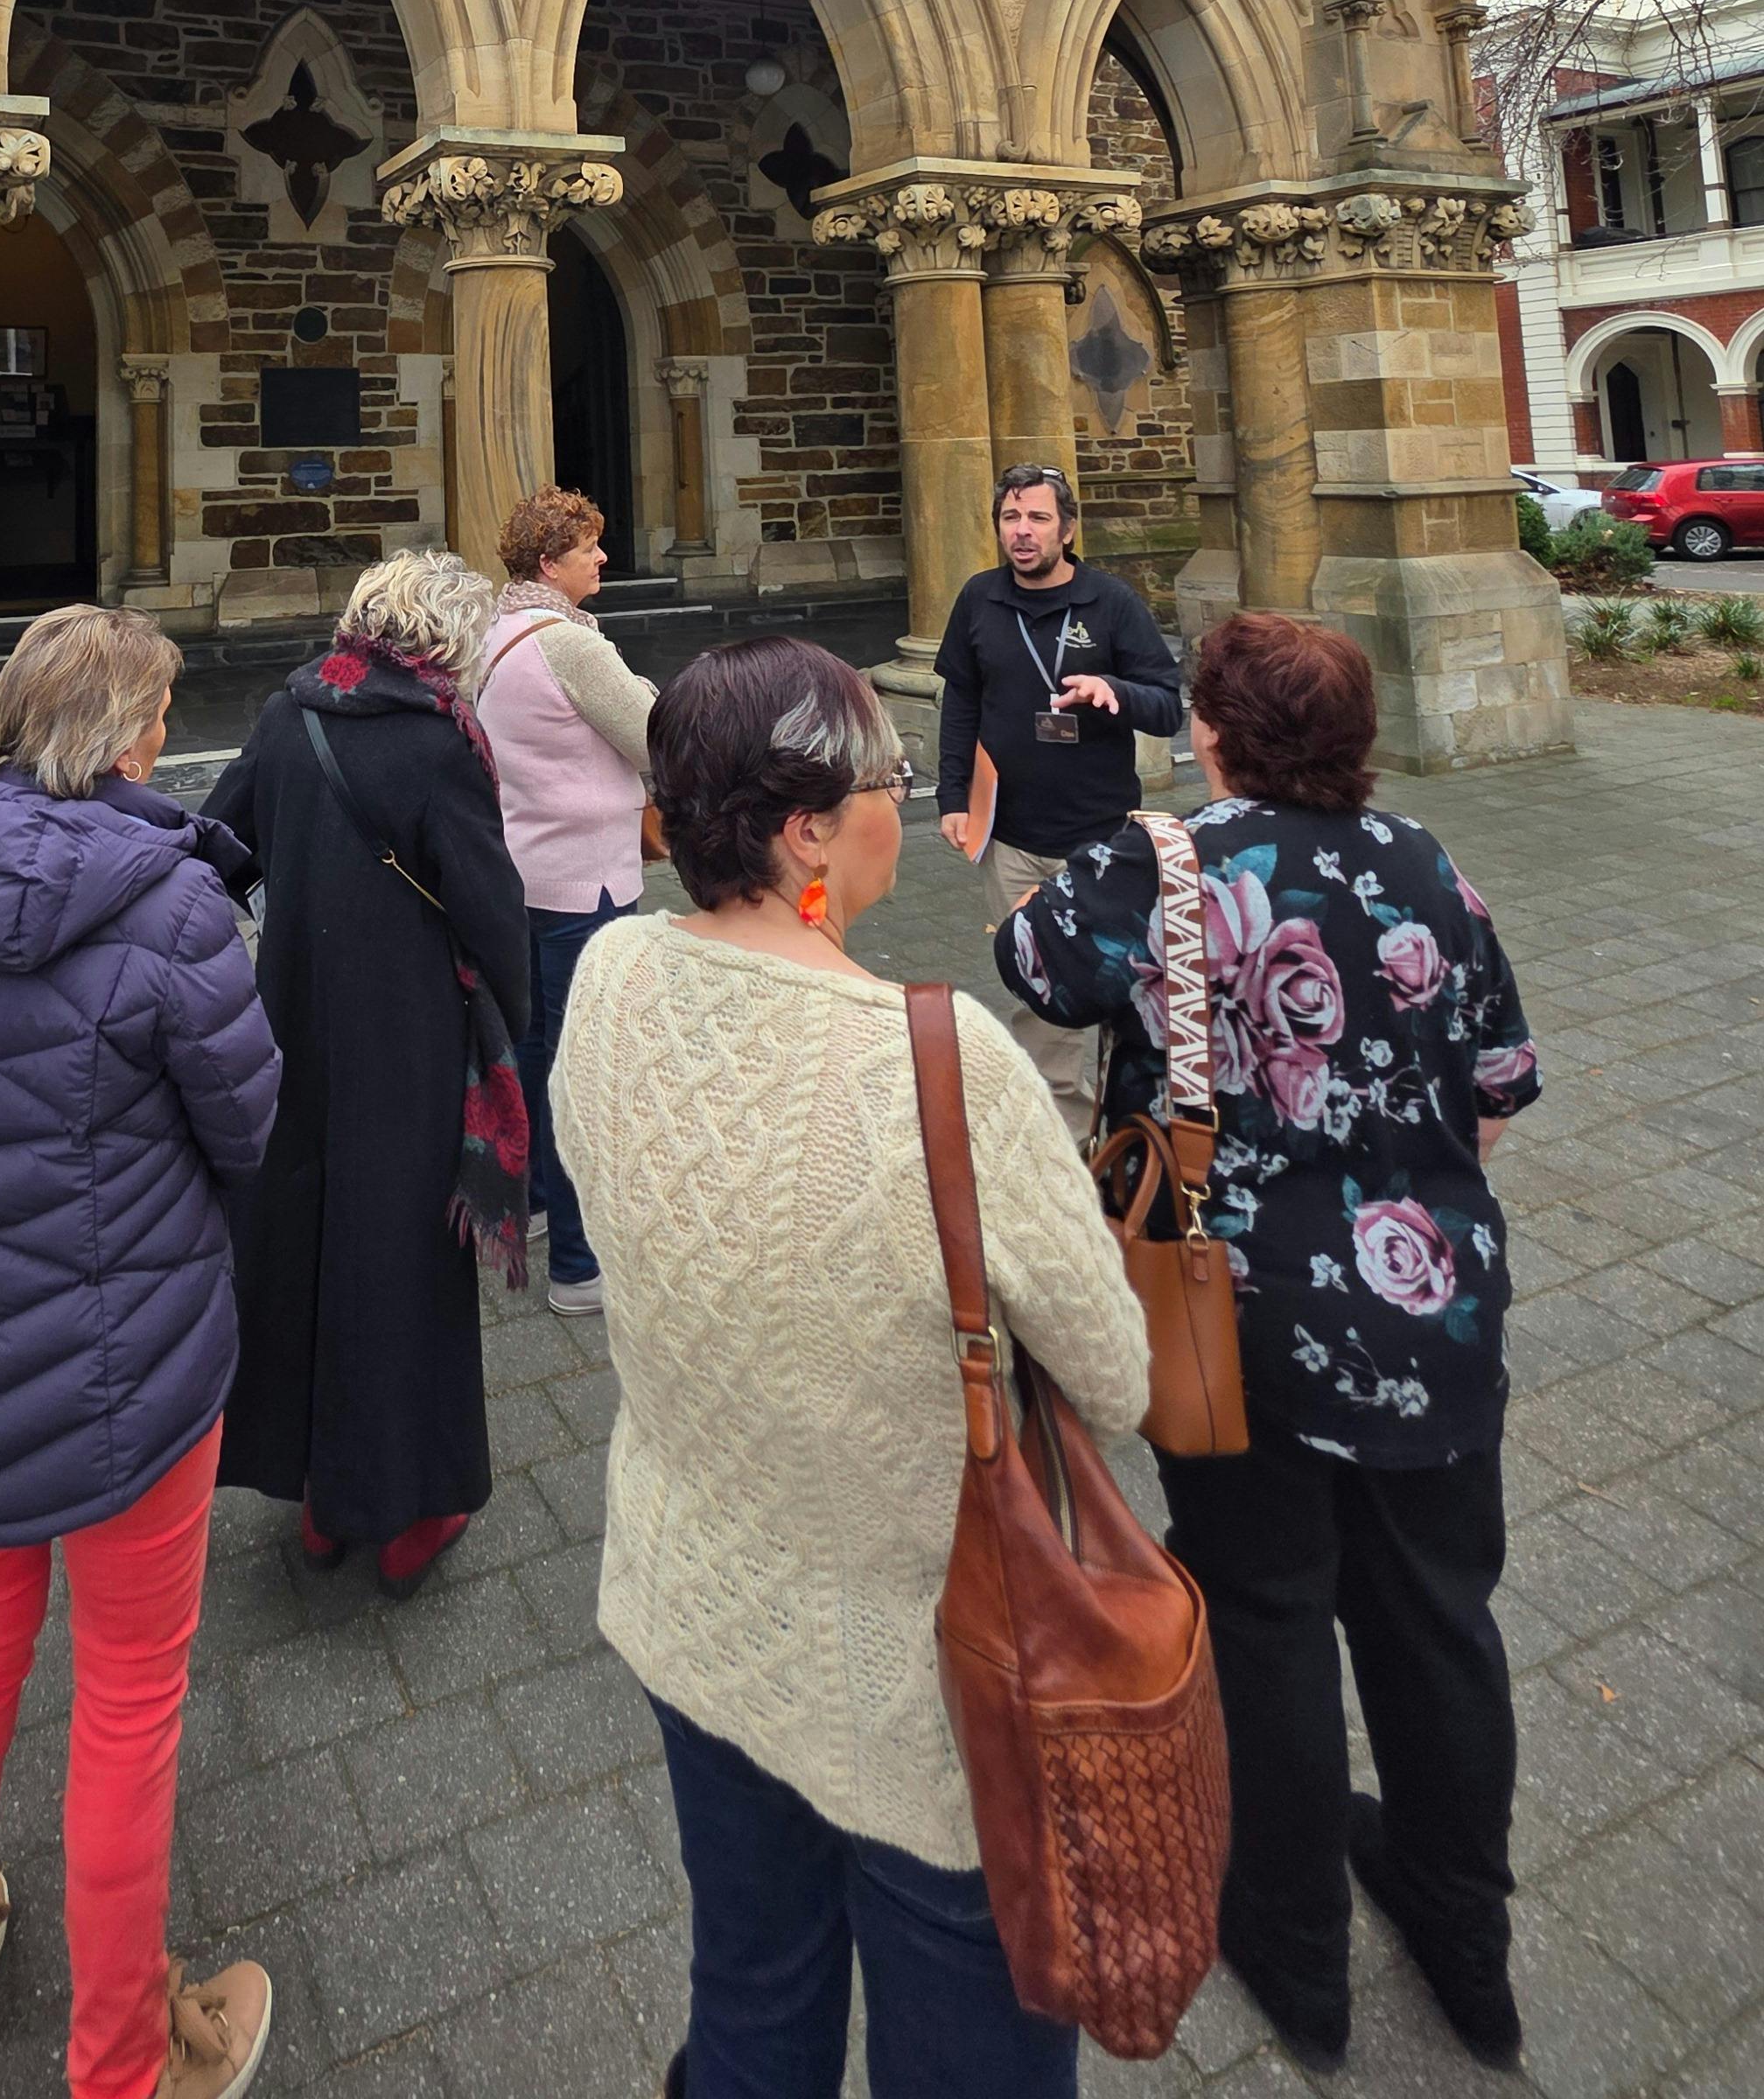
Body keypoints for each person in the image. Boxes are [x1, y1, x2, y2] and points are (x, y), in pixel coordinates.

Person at [553, 635, 1148, 2099]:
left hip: (691, 1610)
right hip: (923, 1704)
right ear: (809, 827)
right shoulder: (946, 1068)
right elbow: (1120, 1376)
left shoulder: (609, 974)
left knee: (753, 2008)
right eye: (892, 776)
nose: (908, 800)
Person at [995, 609, 1541, 2074]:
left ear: (1215, 731)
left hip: (1238, 1321)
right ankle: (1467, 1948)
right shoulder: (1427, 862)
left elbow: (1031, 962)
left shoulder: (1161, 862)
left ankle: (1296, 1959)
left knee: (1267, 1614)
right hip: (1433, 1305)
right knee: (1440, 1620)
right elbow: (1504, 1072)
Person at [0, 604, 282, 2099]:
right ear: (134, 737)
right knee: (128, 1701)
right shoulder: (176, 911)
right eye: (159, 714)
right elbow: (249, 1127)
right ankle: (120, 2063)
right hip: (126, 1363)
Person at [208, 549, 530, 1599]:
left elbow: (218, 847)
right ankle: (404, 1512)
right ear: (444, 639)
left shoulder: (290, 709)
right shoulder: (439, 742)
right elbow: (490, 909)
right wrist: (524, 1031)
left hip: (291, 1025)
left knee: (299, 1247)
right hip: (408, 1039)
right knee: (398, 1267)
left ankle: (316, 1503)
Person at [934, 463, 1184, 1135]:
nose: (1022, 532)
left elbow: (1168, 707)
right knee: (1040, 998)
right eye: (1011, 518)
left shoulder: (1111, 603)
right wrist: (951, 796)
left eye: (1039, 518)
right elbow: (960, 702)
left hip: (1104, 845)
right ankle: (1063, 1148)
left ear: (1067, 530)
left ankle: (1133, 1128)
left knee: (1122, 987)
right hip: (1010, 840)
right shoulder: (979, 599)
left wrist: (1117, 693)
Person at [477, 485, 656, 1318]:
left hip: (523, 871)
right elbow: (656, 737)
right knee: (587, 1070)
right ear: (550, 563)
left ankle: (541, 1203)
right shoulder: (574, 647)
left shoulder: (493, 631)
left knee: (540, 1050)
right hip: (585, 880)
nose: (603, 558)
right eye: (589, 547)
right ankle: (582, 1268)